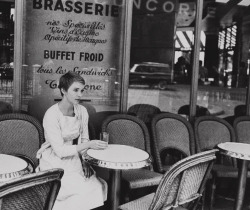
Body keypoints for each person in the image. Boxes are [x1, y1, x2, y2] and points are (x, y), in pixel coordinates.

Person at [36, 71, 108, 210]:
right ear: (63, 90)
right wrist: (88, 145)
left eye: (82, 90)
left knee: (95, 186)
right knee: (71, 192)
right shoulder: (51, 114)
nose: (80, 95)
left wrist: (85, 162)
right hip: (54, 159)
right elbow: (61, 151)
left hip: (74, 157)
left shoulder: (82, 111)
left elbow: (84, 138)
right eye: (75, 90)